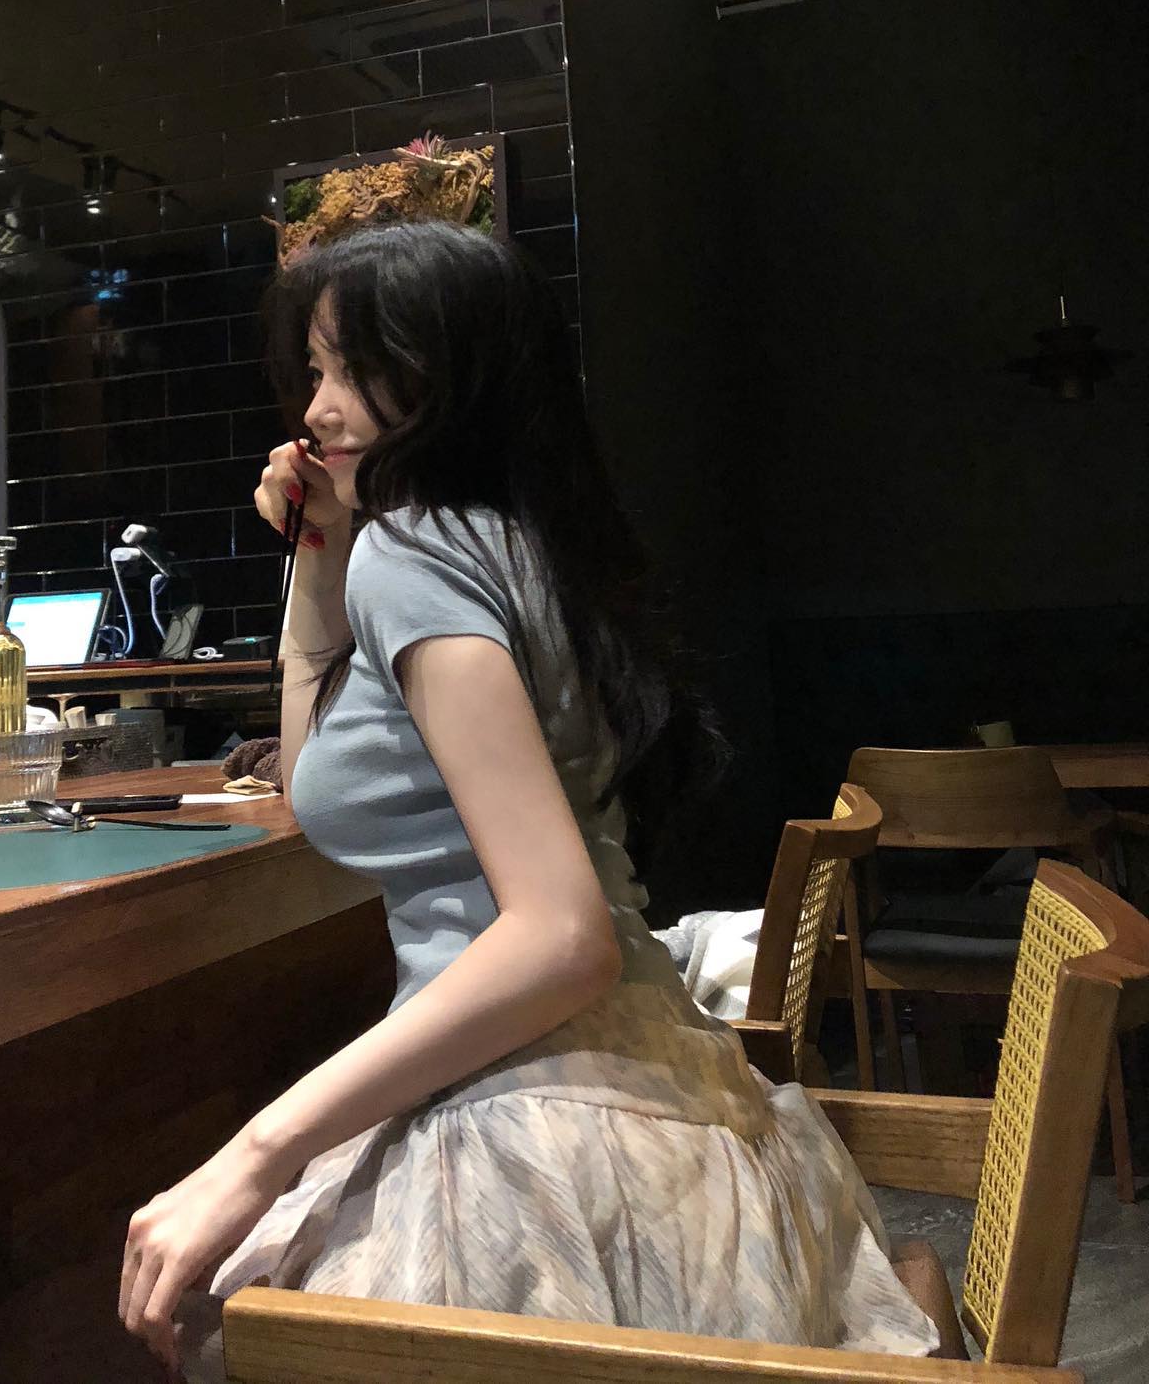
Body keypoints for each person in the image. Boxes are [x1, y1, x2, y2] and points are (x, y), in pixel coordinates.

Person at [118, 220, 936, 1376]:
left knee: (176, 1321)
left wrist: (251, 1155)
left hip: (537, 1095)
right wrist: (319, 550)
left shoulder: (416, 554)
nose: (318, 409)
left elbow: (561, 935)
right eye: (315, 370)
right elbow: (312, 778)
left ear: (452, 380)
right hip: (650, 1069)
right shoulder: (515, 538)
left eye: (356, 370)